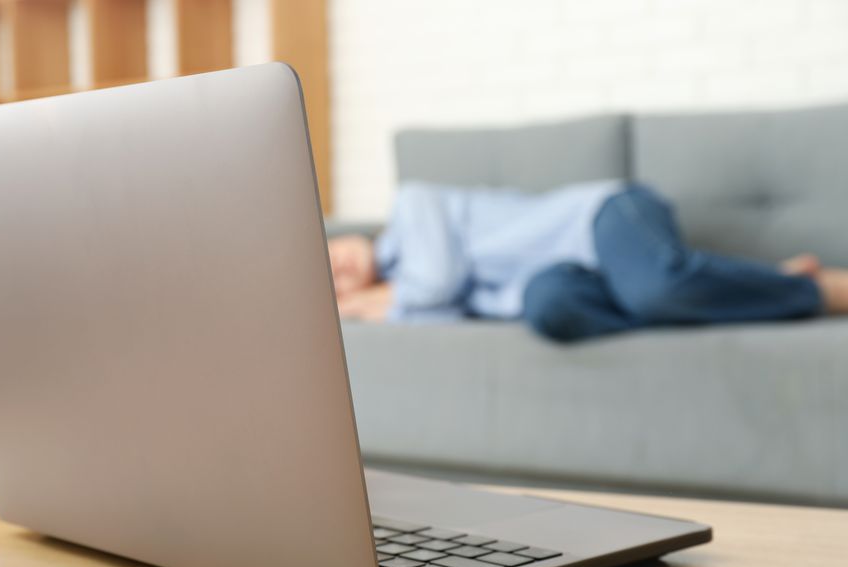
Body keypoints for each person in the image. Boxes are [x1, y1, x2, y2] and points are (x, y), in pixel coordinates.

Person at [328, 181, 848, 342]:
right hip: (565, 279)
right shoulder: (402, 291)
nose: (337, 270)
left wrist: (376, 301)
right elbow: (446, 316)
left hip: (601, 219)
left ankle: (818, 289)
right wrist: (373, 305)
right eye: (329, 284)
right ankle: (766, 279)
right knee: (549, 308)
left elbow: (439, 282)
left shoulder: (410, 205)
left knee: (651, 289)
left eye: (326, 256)